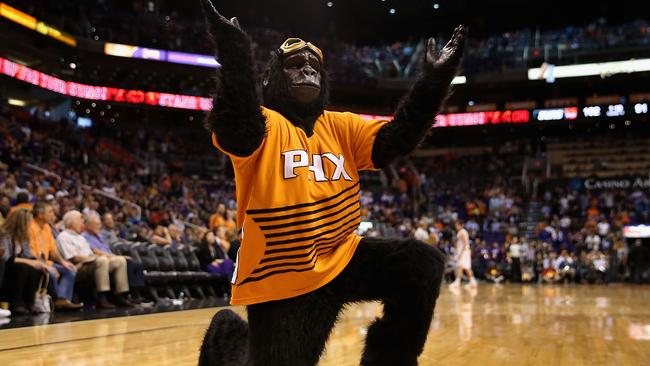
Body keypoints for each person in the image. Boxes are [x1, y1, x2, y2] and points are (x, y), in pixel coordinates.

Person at [198, 1, 466, 364]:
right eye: (295, 64)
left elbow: (399, 137)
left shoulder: (341, 125)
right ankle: (226, 337)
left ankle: (389, 360)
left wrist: (434, 80)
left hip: (343, 257)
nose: (308, 69)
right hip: (283, 275)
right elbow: (235, 124)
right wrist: (235, 54)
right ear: (269, 79)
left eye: (314, 66)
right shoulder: (264, 123)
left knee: (421, 264)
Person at [57, 210, 133, 309]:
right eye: (80, 221)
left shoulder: (80, 237)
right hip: (77, 266)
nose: (82, 223)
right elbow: (74, 257)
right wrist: (94, 258)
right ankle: (102, 296)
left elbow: (90, 253)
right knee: (101, 260)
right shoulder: (64, 236)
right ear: (72, 222)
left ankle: (121, 295)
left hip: (91, 263)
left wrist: (96, 257)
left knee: (119, 261)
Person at [29, 201, 82, 310]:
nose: (53, 215)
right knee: (51, 273)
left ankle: (62, 300)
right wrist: (48, 266)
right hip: (35, 263)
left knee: (70, 270)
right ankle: (59, 300)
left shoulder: (47, 227)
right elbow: (31, 254)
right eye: (50, 212)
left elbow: (53, 250)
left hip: (48, 262)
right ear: (40, 215)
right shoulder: (30, 228)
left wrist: (63, 262)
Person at [82, 212, 145, 300]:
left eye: (99, 224)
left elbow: (108, 249)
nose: (99, 226)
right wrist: (114, 256)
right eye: (97, 224)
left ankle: (133, 294)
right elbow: (94, 251)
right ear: (88, 225)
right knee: (128, 263)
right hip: (99, 259)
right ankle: (130, 296)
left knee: (137, 264)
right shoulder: (85, 236)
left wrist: (115, 256)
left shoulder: (99, 236)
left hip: (110, 258)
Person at [0, 209, 43, 315]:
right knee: (22, 268)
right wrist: (29, 262)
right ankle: (16, 303)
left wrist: (39, 262)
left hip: (18, 264)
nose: (30, 225)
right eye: (29, 222)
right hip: (6, 266)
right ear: (21, 222)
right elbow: (6, 257)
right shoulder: (5, 235)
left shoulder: (23, 236)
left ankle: (30, 302)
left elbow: (29, 255)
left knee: (34, 269)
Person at [449, 221, 477, 289]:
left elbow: (465, 243)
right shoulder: (462, 232)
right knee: (465, 268)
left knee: (460, 267)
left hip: (463, 252)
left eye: (457, 225)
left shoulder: (462, 232)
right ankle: (472, 282)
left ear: (460, 225)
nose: (456, 227)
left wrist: (460, 254)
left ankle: (457, 282)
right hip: (464, 252)